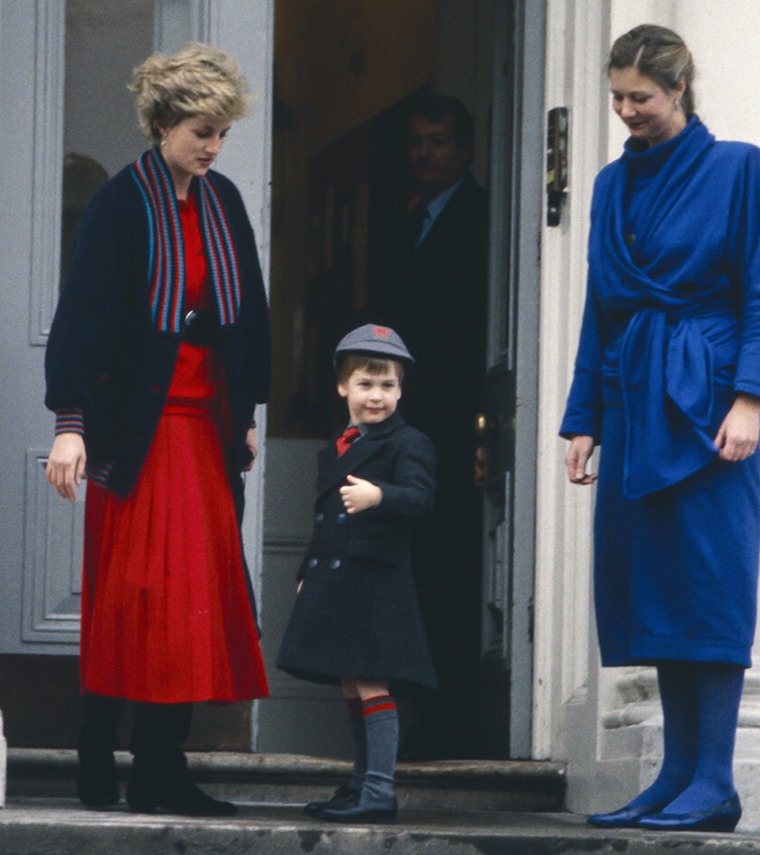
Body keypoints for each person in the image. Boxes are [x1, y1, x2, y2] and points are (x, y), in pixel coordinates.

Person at [45, 43, 271, 817]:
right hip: (134, 435)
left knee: (192, 604)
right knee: (134, 600)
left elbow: (251, 321)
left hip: (205, 431)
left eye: (221, 134)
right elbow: (83, 319)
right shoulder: (119, 204)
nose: (212, 147)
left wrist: (244, 416)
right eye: (201, 131)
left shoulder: (225, 201)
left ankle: (160, 768)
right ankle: (96, 748)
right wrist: (70, 426)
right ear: (163, 122)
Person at [561, 24, 760, 833]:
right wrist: (584, 418)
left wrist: (751, 398)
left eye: (639, 97)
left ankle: (714, 779)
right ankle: (675, 774)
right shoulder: (611, 184)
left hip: (708, 407)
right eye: (615, 98)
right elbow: (600, 308)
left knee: (708, 585)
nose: (625, 111)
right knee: (656, 590)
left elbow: (758, 289)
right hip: (636, 402)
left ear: (679, 88)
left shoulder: (739, 169)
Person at [276, 323, 437, 823]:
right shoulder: (336, 447)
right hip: (338, 581)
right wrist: (308, 568)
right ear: (343, 387)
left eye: (387, 386)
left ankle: (379, 790)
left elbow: (421, 499)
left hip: (375, 583)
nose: (377, 396)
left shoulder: (408, 442)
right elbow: (323, 518)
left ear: (400, 390)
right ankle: (359, 782)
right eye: (365, 385)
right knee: (352, 683)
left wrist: (380, 496)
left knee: (372, 683)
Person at [373, 94, 489, 759]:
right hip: (399, 421)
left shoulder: (482, 217)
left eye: (438, 141)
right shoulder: (400, 218)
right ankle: (408, 719)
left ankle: (450, 723)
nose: (425, 152)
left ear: (465, 149)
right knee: (403, 568)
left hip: (450, 425)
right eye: (417, 141)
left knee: (446, 572)